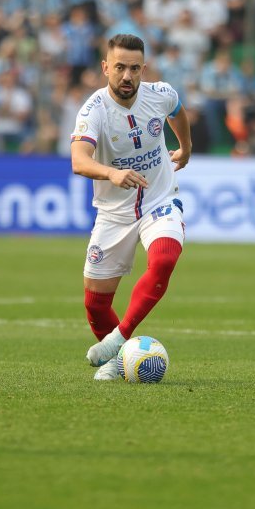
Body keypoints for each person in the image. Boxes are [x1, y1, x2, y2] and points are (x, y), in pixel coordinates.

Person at [69, 34, 192, 381]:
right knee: (95, 305)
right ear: (105, 67)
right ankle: (122, 362)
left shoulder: (160, 95)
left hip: (159, 200)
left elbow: (178, 111)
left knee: (165, 258)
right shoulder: (93, 111)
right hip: (114, 213)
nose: (127, 75)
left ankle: (119, 339)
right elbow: (79, 161)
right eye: (120, 67)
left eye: (134, 68)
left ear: (143, 69)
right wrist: (112, 172)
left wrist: (187, 147)